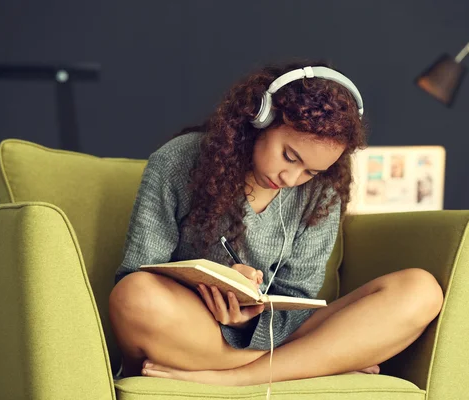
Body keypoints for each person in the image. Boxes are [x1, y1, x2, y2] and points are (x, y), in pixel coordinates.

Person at [108, 60, 444, 386]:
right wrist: (218, 290)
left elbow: (297, 296)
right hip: (193, 325)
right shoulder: (177, 161)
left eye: (311, 171)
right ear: (260, 118)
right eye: (290, 156)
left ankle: (237, 376)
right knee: (133, 295)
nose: (292, 178)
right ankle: (321, 363)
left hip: (277, 331)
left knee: (421, 290)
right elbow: (139, 270)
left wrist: (253, 310)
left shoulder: (322, 192)